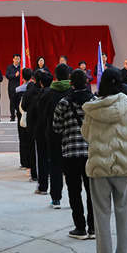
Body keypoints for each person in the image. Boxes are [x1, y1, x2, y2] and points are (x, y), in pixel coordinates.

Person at [82, 67, 127, 253]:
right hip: (125, 165)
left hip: (100, 165)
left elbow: (86, 134)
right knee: (124, 212)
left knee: (101, 213)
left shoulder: (92, 109)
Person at [52, 69, 96, 239]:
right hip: (91, 152)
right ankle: (93, 228)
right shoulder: (94, 101)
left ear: (71, 83)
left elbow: (56, 128)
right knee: (92, 192)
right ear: (87, 82)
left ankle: (80, 228)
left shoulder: (64, 103)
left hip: (70, 153)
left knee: (74, 191)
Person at [32, 64, 74, 208]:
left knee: (55, 166)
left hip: (53, 134)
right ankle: (74, 197)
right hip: (71, 135)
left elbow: (41, 113)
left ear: (55, 76)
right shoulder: (72, 92)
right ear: (69, 76)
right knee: (72, 169)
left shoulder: (48, 93)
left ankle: (56, 198)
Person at [24, 70, 52, 194]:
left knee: (42, 158)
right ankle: (56, 190)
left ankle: (42, 185)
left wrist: (30, 130)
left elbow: (29, 114)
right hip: (54, 130)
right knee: (54, 158)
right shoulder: (56, 95)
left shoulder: (34, 97)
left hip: (40, 131)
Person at [15, 68, 35, 178]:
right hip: (33, 119)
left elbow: (16, 105)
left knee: (23, 141)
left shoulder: (18, 90)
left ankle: (25, 163)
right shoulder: (36, 90)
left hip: (22, 118)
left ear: (22, 77)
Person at [5, 54, 22, 121]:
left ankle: (19, 115)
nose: (17, 60)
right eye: (16, 59)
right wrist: (15, 75)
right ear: (13, 59)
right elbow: (7, 75)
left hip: (20, 88)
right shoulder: (9, 67)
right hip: (12, 88)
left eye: (18, 59)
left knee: (19, 102)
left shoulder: (21, 67)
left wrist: (19, 75)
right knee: (12, 102)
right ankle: (12, 116)